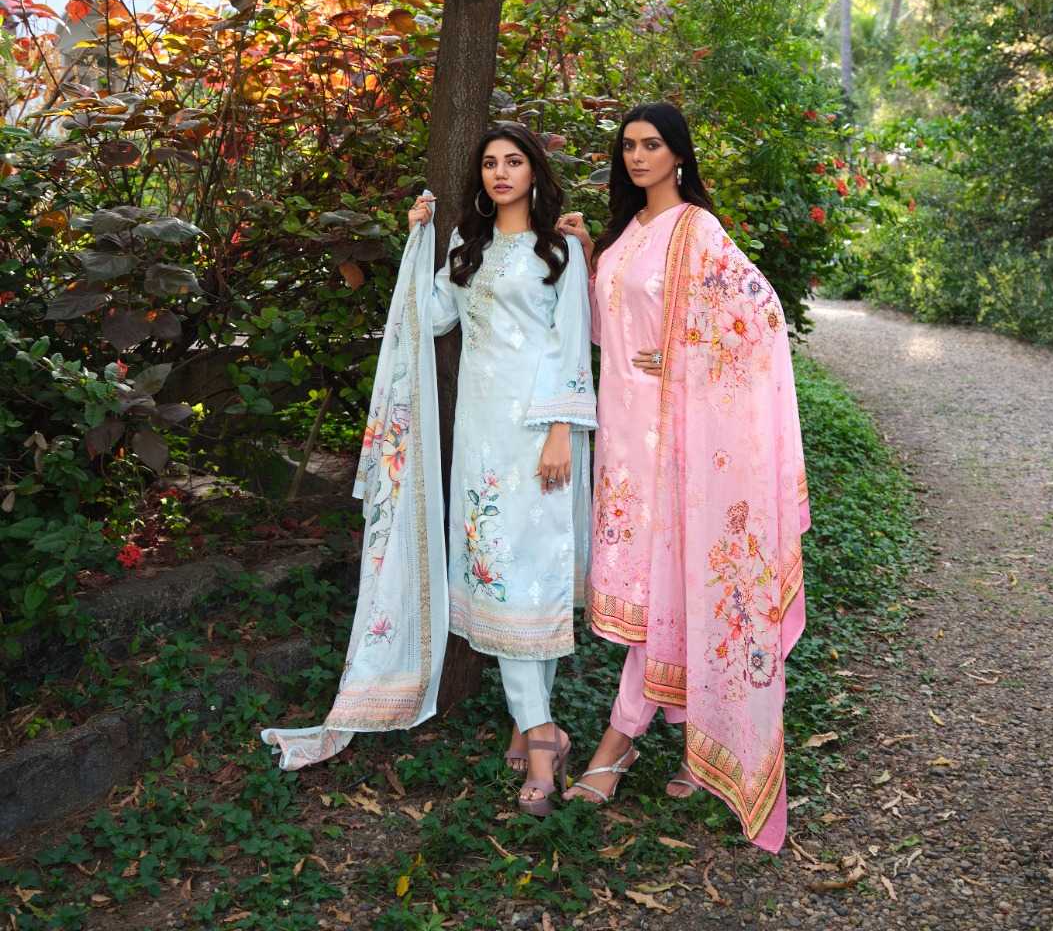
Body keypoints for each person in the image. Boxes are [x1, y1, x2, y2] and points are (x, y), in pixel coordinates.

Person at [263, 122, 595, 818]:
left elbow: (570, 345)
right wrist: (418, 243)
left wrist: (563, 430)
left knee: (526, 580)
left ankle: (539, 737)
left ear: (534, 173)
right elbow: (432, 317)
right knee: (503, 581)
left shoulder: (559, 250)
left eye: (514, 162)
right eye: (490, 163)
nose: (500, 173)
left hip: (540, 435)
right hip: (479, 440)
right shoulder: (468, 249)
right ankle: (536, 724)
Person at [556, 102, 810, 851]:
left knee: (667, 587)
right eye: (629, 146)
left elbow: (759, 320)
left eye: (652, 145)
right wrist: (586, 255)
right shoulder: (626, 233)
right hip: (625, 447)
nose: (637, 157)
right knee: (659, 591)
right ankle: (697, 733)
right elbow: (607, 332)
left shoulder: (697, 231)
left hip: (677, 444)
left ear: (678, 155)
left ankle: (618, 741)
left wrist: (689, 354)